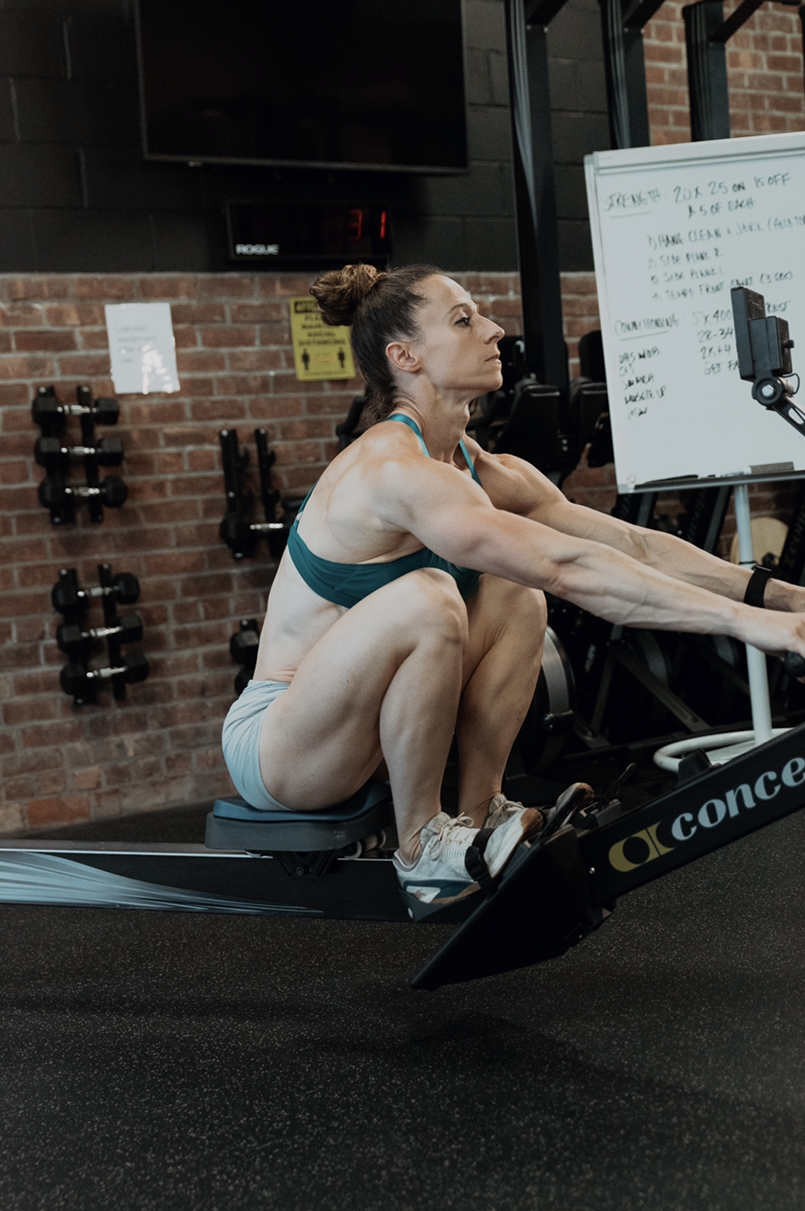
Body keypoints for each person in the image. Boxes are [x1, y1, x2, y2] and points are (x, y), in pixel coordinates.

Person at [222, 262, 805, 908]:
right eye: (463, 320)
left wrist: (782, 599)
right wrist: (748, 627)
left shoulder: (479, 467)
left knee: (512, 593)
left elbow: (627, 544)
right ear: (404, 356)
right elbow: (565, 567)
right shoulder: (391, 468)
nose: (493, 329)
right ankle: (420, 846)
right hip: (281, 746)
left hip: (358, 728)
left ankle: (479, 812)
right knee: (428, 597)